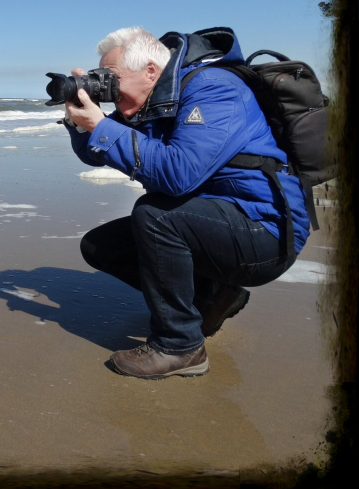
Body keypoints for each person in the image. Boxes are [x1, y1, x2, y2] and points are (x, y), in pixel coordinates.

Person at [63, 26, 309, 379]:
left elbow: (180, 174)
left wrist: (102, 125)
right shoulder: (155, 100)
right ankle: (215, 296)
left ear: (150, 70)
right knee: (100, 246)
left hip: (266, 233)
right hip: (217, 220)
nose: (108, 87)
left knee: (155, 214)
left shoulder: (214, 88)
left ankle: (180, 346)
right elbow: (96, 152)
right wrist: (80, 122)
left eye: (112, 78)